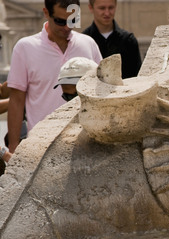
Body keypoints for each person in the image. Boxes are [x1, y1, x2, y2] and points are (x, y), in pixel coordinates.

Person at [6, 0, 102, 154]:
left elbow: (102, 91)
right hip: (41, 146)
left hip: (86, 144)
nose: (67, 27)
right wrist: (13, 148)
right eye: (60, 21)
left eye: (72, 20)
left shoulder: (88, 44)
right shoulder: (24, 48)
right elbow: (16, 100)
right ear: (46, 13)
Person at [83, 0, 141, 79]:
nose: (107, 13)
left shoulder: (128, 40)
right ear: (91, 8)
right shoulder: (84, 41)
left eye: (111, 8)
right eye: (102, 8)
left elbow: (136, 77)